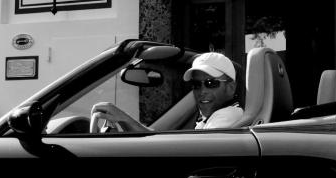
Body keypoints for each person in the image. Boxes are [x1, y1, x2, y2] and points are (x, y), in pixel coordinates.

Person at [90, 51, 247, 132]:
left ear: (230, 88)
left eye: (211, 83)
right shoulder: (212, 118)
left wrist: (123, 118)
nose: (202, 91)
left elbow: (181, 152)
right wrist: (123, 120)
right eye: (196, 84)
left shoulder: (228, 115)